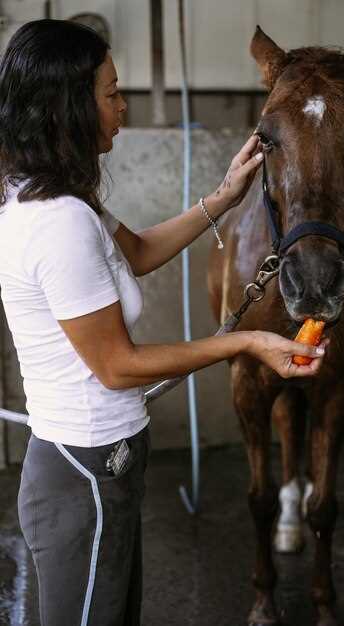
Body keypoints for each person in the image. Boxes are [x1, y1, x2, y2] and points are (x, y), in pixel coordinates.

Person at [0, 18, 327, 626]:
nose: (123, 107)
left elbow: (141, 251)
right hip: (84, 473)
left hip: (105, 461)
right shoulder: (58, 223)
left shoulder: (66, 202)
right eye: (112, 93)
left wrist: (224, 197)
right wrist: (247, 340)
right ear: (70, 106)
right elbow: (119, 366)